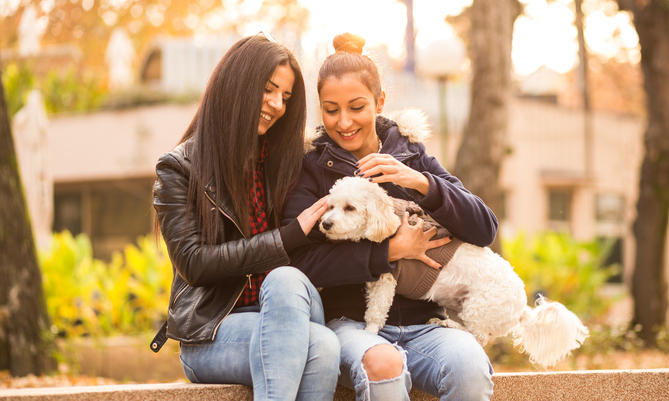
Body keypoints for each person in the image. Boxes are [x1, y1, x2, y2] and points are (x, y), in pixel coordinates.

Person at [282, 32, 499, 401]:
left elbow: (485, 227)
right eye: (331, 109)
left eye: (357, 107)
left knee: (469, 367)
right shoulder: (311, 169)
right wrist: (387, 253)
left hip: (426, 324)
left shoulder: (412, 154)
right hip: (350, 324)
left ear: (379, 102)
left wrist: (421, 183)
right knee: (384, 363)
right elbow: (299, 261)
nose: (344, 122)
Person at [149, 33, 340, 401]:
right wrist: (286, 238)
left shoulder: (288, 162)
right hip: (214, 330)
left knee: (285, 283)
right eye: (268, 89)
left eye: (285, 96)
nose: (277, 104)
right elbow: (194, 263)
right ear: (237, 85)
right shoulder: (180, 168)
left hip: (293, 308)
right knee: (324, 348)